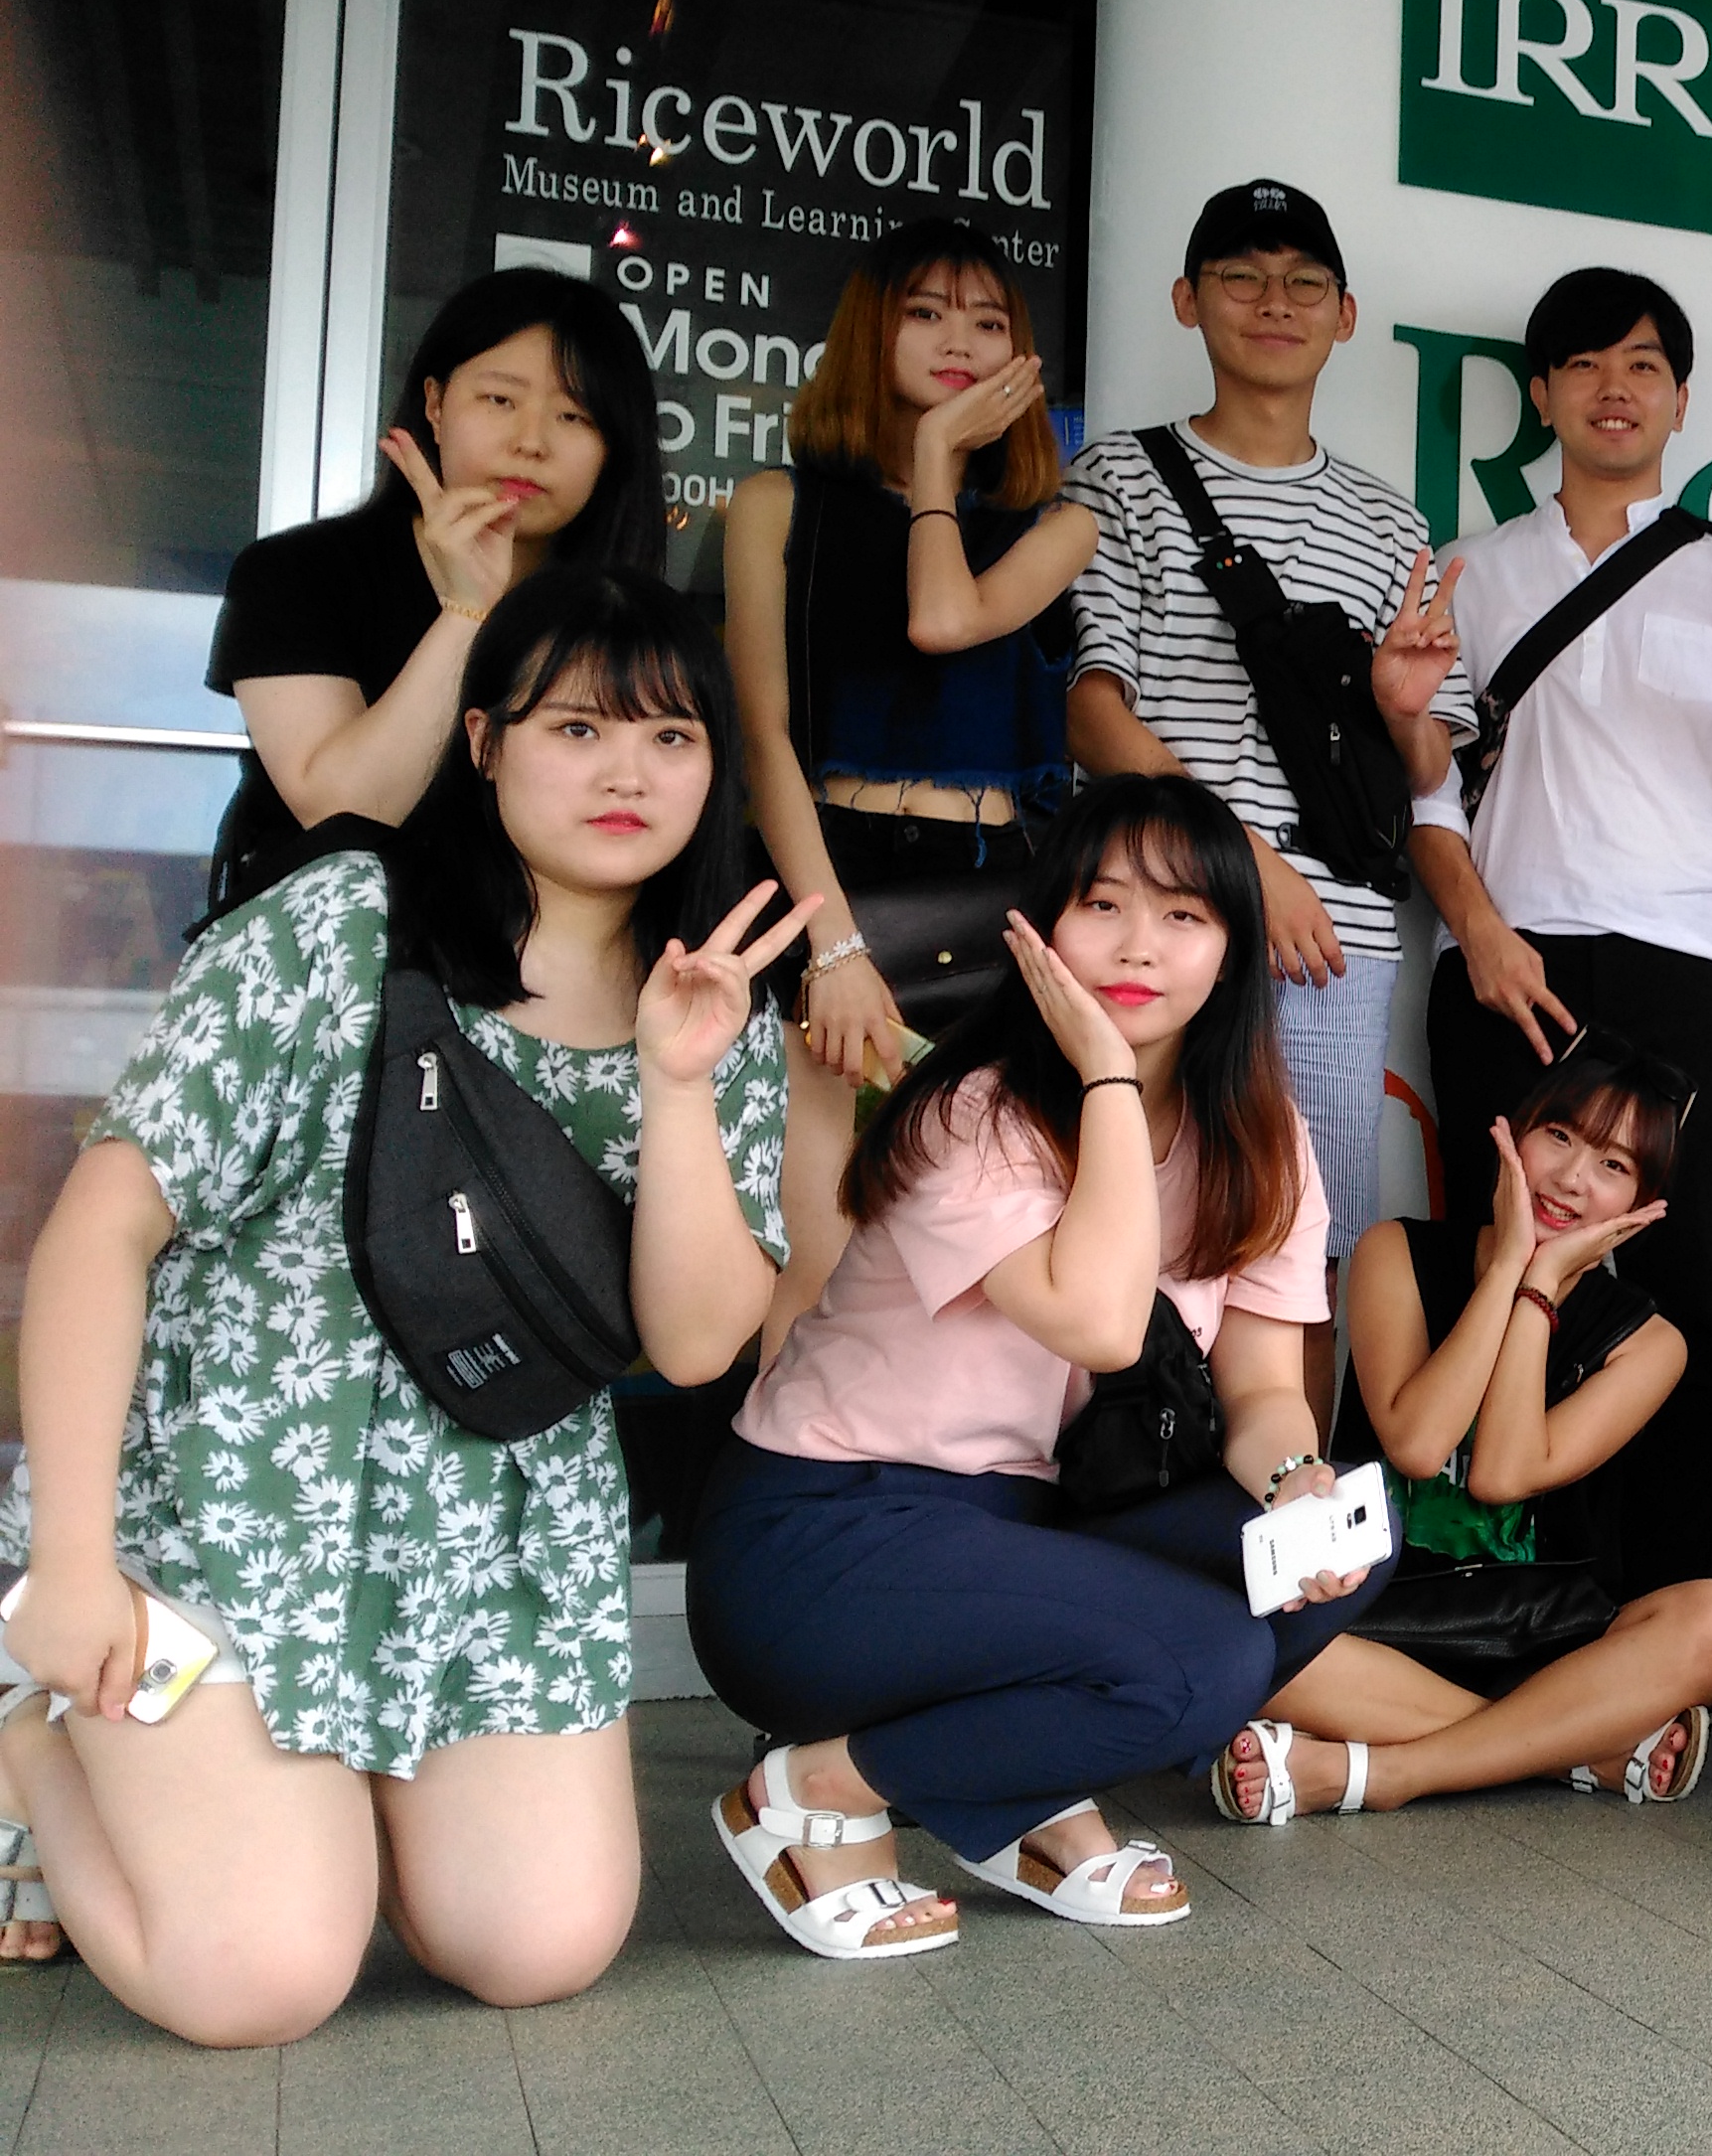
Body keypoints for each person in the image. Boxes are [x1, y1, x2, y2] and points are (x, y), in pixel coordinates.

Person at [0, 569, 803, 2038]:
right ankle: (25, 1741)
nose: (627, 771)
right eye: (578, 728)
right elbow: (100, 1232)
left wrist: (678, 1082)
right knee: (258, 1982)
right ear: (484, 743)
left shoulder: (718, 1001)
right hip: (240, 1500)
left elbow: (695, 1347)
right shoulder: (335, 929)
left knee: (539, 1947)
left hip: (496, 1540)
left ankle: (299, 1813)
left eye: (672, 737)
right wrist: (68, 1563)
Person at [689, 773, 1380, 1959]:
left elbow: (1264, 1392)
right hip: (821, 1545)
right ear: (1041, 926)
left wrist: (1294, 1483)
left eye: (1183, 915)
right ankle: (814, 1791)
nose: (1138, 945)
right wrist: (1107, 1076)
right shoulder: (976, 1114)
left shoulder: (1263, 1141)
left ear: (1231, 948)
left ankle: (1009, 1788)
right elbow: (1100, 1326)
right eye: (1102, 905)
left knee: (1345, 1544)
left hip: (1023, 1529)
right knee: (1201, 1664)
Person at [1412, 266, 1712, 1591]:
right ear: (1540, 394)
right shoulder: (1471, 568)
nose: (1615, 388)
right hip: (1509, 962)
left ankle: (1657, 1618)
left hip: (1678, 973)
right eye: (1585, 364)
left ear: (1680, 400)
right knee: (1496, 1263)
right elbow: (1425, 790)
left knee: (1673, 1288)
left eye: (1644, 365)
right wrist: (1477, 929)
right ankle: (1480, 1595)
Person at [1065, 181, 1462, 1379]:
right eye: (1241, 277)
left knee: (1307, 1251)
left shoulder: (1389, 522)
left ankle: (1287, 1493)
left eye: (1302, 283)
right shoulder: (1119, 478)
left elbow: (1427, 769)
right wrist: (1243, 861)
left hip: (1330, 945)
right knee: (1114, 1229)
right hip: (1152, 913)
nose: (1273, 303)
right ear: (1188, 301)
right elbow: (1091, 712)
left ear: (1346, 315)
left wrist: (1403, 708)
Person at [1210, 1050, 1712, 1820]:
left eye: (1613, 1165)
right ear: (1512, 1136)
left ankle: (1387, 1771)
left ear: (1643, 1203)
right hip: (1376, 1618)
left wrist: (1540, 1288)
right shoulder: (1395, 1252)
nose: (1573, 1178)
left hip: (1551, 1638)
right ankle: (1573, 1748)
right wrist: (1506, 1271)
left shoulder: (1651, 1342)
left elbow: (1502, 1473)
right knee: (1233, 1645)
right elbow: (1418, 1445)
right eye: (1559, 1136)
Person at [724, 220, 1096, 1327]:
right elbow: (762, 738)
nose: (958, 341)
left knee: (982, 1253)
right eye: (926, 313)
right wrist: (831, 945)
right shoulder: (778, 504)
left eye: (988, 321)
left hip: (996, 888)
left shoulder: (1058, 526)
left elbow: (943, 619)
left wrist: (936, 460)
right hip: (827, 874)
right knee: (815, 1251)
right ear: (870, 330)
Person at [204, 266, 665, 913]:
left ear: (613, 447)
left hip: (539, 957)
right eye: (499, 400)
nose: (531, 442)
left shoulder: (627, 618)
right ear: (436, 405)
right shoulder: (296, 574)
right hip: (338, 952)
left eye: (573, 415)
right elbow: (344, 815)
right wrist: (466, 611)